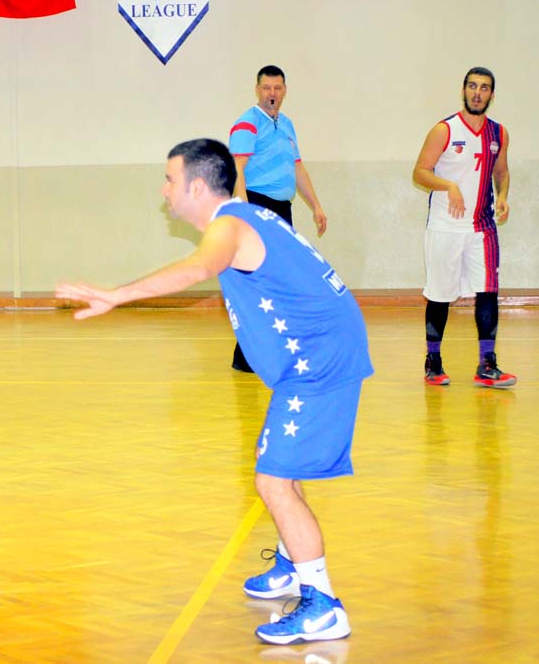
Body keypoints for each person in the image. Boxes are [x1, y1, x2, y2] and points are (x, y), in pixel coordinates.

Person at [56, 139, 372, 644]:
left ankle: (322, 605)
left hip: (320, 360)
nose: (164, 191)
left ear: (197, 186)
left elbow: (199, 268)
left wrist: (118, 295)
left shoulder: (228, 226)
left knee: (272, 480)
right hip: (318, 352)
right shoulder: (246, 215)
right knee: (279, 465)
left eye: (170, 180)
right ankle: (293, 564)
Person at [412, 66, 515, 388]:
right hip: (445, 226)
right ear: (463, 90)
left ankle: (487, 364)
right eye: (472, 86)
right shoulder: (444, 130)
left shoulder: (499, 133)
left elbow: (501, 173)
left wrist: (503, 197)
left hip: (482, 228)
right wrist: (449, 186)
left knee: (488, 291)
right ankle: (433, 361)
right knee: (440, 294)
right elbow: (420, 172)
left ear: (491, 95)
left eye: (484, 88)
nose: (477, 93)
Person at [227, 65, 327, 372]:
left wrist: (316, 206)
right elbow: (237, 169)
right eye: (266, 87)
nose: (272, 93)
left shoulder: (286, 124)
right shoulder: (247, 123)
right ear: (257, 89)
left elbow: (298, 168)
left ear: (284, 91)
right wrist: (246, 213)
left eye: (277, 88)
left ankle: (260, 353)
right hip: (257, 205)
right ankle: (248, 356)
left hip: (282, 210)